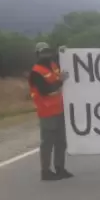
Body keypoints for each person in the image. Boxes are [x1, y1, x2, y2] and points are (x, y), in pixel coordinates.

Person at [28, 42, 73, 181]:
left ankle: (60, 168)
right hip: (47, 112)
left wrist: (64, 52)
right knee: (47, 143)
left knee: (61, 141)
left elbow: (65, 65)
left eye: (47, 52)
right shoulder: (36, 72)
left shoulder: (53, 66)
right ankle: (45, 171)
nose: (46, 55)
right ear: (37, 55)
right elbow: (45, 90)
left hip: (59, 110)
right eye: (43, 53)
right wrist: (61, 81)